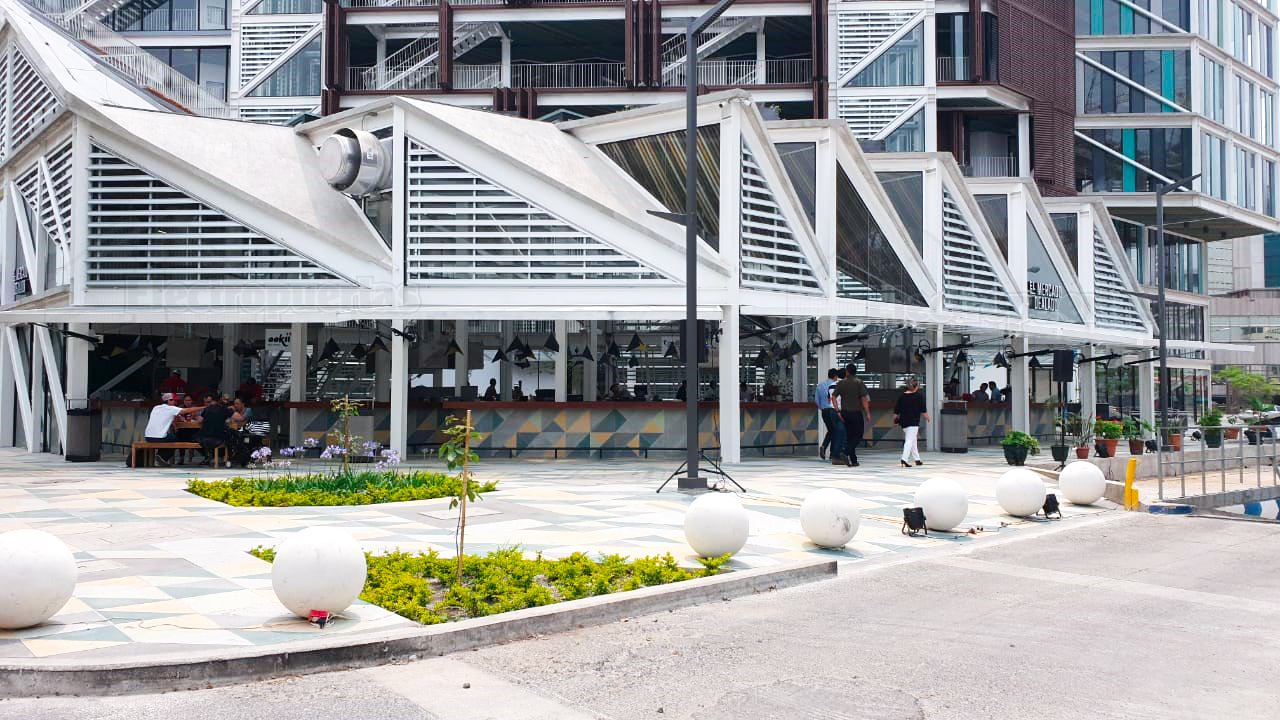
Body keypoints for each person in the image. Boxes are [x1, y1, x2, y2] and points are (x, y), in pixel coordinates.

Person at [143, 392, 204, 465]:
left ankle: (161, 455)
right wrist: (203, 407)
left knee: (170, 437)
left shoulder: (156, 407)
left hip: (148, 437)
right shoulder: (171, 408)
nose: (176, 402)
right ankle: (162, 456)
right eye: (174, 400)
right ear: (169, 400)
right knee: (177, 439)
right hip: (159, 437)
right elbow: (188, 410)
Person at [832, 364, 870, 467]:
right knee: (858, 435)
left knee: (850, 436)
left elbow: (833, 397)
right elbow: (863, 398)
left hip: (844, 413)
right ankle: (845, 452)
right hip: (856, 413)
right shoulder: (859, 382)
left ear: (847, 372)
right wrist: (867, 412)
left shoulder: (841, 383)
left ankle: (854, 460)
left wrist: (837, 411)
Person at [894, 378, 929, 467]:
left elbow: (896, 410)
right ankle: (904, 459)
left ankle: (917, 459)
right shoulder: (919, 396)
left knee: (913, 441)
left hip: (903, 422)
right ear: (916, 386)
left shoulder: (901, 396)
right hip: (913, 422)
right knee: (909, 441)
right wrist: (927, 418)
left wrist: (895, 419)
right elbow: (923, 410)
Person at [816, 368, 844, 462]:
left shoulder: (820, 386)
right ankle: (831, 452)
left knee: (832, 430)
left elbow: (816, 401)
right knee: (835, 431)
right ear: (835, 376)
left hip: (824, 411)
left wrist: (823, 408)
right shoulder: (836, 385)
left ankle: (827, 449)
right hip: (834, 410)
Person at [198, 396, 233, 467]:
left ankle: (209, 457)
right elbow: (235, 416)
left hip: (205, 437)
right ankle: (227, 459)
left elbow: (201, 419)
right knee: (231, 437)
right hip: (219, 436)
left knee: (194, 438)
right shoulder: (224, 409)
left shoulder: (207, 409)